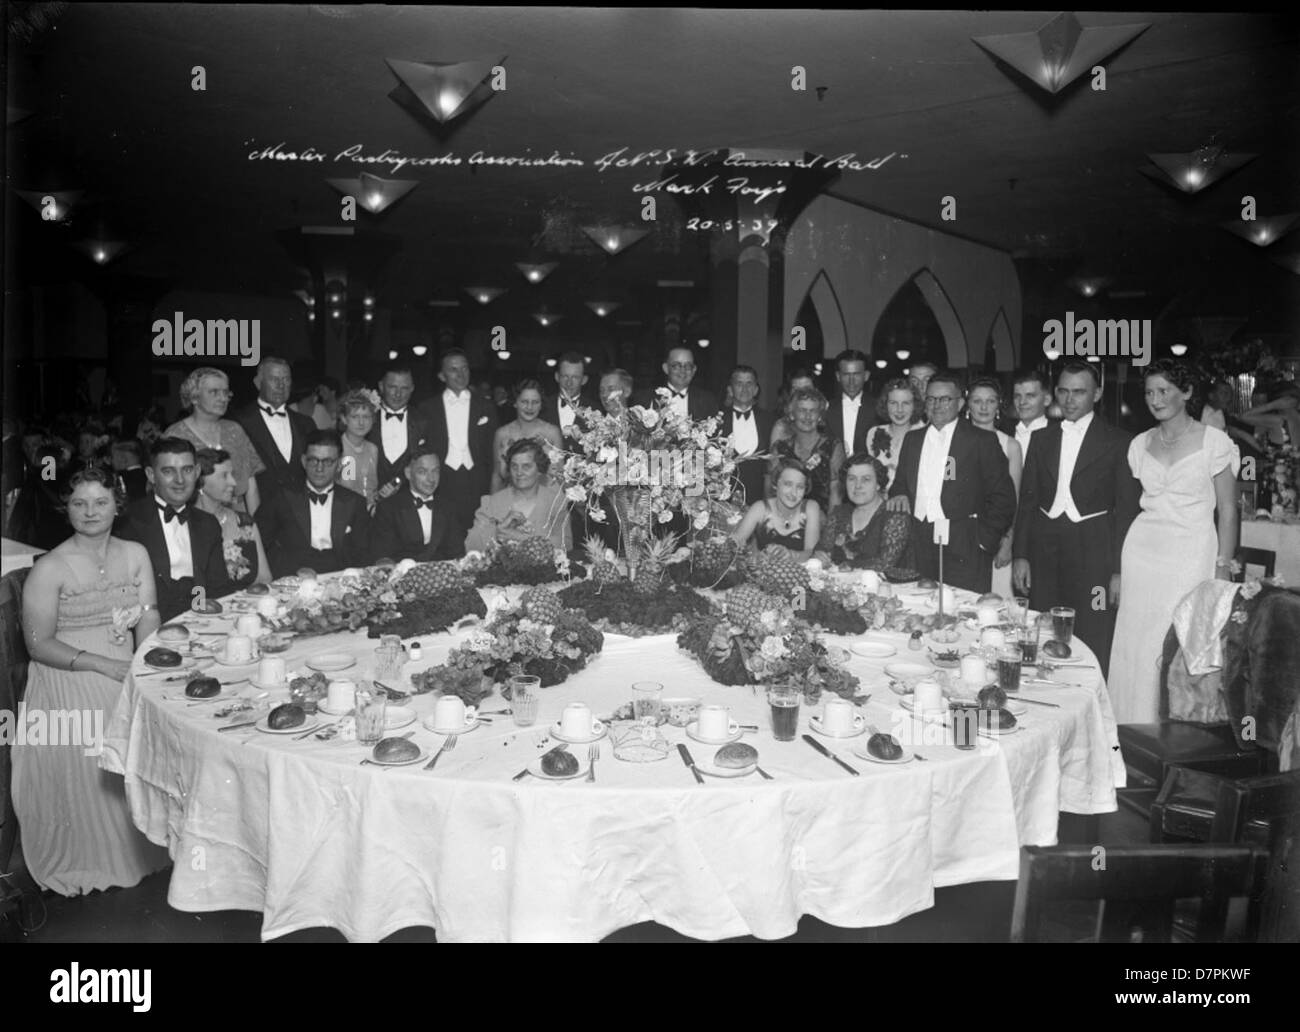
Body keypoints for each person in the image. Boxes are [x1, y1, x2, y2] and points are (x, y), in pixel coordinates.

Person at [11, 465, 170, 894]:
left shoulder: (135, 553)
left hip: (125, 662)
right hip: (68, 670)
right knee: (107, 708)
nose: (90, 511)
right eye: (79, 503)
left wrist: (144, 660)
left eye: (101, 502)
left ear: (118, 505)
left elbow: (148, 612)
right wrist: (104, 665)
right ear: (66, 509)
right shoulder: (51, 567)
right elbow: (38, 645)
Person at [1109, 360, 1240, 723]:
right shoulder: (1140, 444)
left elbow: (1229, 511)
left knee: (1177, 638)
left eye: (1164, 390)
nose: (1155, 399)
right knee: (1137, 642)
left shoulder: (1215, 442)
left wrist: (1223, 567)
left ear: (1187, 392)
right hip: (1142, 552)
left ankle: (1173, 730)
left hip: (1191, 553)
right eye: (1149, 392)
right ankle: (1130, 727)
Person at [1012, 363, 1139, 676]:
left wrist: (1119, 571)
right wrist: (1021, 555)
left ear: (1097, 394)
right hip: (1044, 548)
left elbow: (1126, 511)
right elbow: (1028, 502)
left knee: (1094, 626)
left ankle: (1089, 693)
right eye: (1064, 391)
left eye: (1079, 392)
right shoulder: (1041, 438)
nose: (1069, 400)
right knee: (1043, 628)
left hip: (1094, 550)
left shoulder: (1119, 441)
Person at [887, 373, 1016, 594]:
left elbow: (1004, 497)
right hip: (919, 541)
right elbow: (900, 483)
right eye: (931, 399)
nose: (937, 405)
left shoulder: (981, 440)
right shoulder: (913, 439)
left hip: (965, 543)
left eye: (945, 399)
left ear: (960, 403)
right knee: (919, 604)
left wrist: (985, 540)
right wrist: (899, 493)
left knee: (963, 608)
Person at [116, 437, 232, 621]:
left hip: (201, 622)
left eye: (187, 470)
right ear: (151, 475)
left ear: (197, 472)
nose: (180, 480)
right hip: (148, 624)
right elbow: (121, 594)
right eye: (168, 471)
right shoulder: (128, 522)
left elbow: (217, 589)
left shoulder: (208, 524)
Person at [255, 430, 372, 577]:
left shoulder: (355, 502)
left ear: (339, 464)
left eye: (328, 461)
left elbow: (363, 551)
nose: (319, 468)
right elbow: (260, 545)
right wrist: (292, 570)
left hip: (340, 575)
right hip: (294, 575)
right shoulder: (280, 498)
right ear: (304, 461)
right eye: (313, 460)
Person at [419, 349, 498, 536]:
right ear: (441, 375)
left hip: (477, 481)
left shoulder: (486, 406)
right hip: (441, 481)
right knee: (442, 535)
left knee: (478, 537)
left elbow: (493, 450)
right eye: (453, 370)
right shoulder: (427, 408)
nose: (460, 374)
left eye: (464, 368)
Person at [166, 367, 265, 515]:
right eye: (214, 392)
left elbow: (251, 485)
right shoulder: (175, 435)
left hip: (238, 517)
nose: (223, 398)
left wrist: (253, 523)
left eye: (226, 393)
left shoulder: (235, 430)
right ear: (194, 398)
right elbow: (168, 491)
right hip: (195, 519)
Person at [816, 453, 917, 579]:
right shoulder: (839, 513)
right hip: (843, 587)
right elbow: (822, 550)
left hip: (892, 588)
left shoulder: (894, 516)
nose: (857, 485)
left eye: (866, 479)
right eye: (852, 479)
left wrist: (845, 565)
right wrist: (818, 556)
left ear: (878, 484)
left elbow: (884, 565)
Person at [966, 377, 1022, 599]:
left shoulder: (1010, 445)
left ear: (998, 405)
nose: (983, 407)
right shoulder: (954, 440)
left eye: (990, 401)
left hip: (996, 535)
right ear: (967, 404)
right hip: (962, 535)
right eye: (977, 401)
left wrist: (1007, 542)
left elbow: (1013, 499)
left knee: (995, 602)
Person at [464, 438, 571, 553]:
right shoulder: (492, 503)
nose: (519, 473)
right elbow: (470, 546)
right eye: (514, 466)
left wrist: (520, 537)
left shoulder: (555, 502)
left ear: (540, 469)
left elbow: (566, 544)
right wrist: (497, 532)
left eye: (526, 466)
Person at [235, 356, 315, 504]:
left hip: (303, 508)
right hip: (260, 508)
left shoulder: (306, 424)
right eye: (274, 379)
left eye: (286, 379)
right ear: (258, 383)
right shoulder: (240, 422)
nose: (281, 385)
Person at [193, 447, 271, 590]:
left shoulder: (245, 523)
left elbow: (264, 578)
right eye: (224, 476)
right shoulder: (187, 526)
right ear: (201, 481)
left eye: (232, 475)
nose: (233, 482)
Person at [371, 447, 464, 562]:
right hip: (402, 571)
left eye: (435, 471)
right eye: (422, 472)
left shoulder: (448, 507)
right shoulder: (389, 508)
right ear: (408, 473)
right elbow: (383, 558)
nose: (431, 479)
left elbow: (457, 553)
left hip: (440, 570)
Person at [730, 456, 821, 562]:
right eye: (788, 484)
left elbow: (812, 553)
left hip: (799, 571)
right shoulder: (760, 508)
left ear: (805, 489)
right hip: (762, 570)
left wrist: (790, 555)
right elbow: (733, 545)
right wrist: (753, 556)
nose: (793, 493)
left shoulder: (810, 508)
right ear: (775, 484)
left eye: (800, 487)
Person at [769, 386, 844, 512]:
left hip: (822, 519)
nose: (808, 416)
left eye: (813, 411)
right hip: (784, 519)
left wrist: (831, 523)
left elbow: (836, 493)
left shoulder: (833, 446)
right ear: (792, 414)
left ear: (820, 416)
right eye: (802, 410)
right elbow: (771, 491)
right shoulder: (779, 448)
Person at [368, 364, 434, 490]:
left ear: (412, 389)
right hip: (367, 496)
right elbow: (349, 459)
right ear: (381, 386)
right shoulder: (365, 419)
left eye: (404, 388)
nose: (398, 394)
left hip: (408, 497)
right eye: (392, 387)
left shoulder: (423, 422)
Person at [492, 379, 563, 493]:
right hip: (511, 499)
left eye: (535, 402)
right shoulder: (502, 434)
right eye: (524, 402)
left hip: (545, 499)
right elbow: (497, 476)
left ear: (541, 405)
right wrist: (493, 503)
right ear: (515, 403)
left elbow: (560, 476)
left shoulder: (552, 433)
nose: (530, 407)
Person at [721, 365, 775, 508]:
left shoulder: (770, 421)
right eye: (739, 383)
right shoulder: (717, 421)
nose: (744, 389)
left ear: (756, 390)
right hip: (725, 501)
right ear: (730, 389)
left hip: (761, 500)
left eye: (749, 383)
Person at [861, 377, 924, 489]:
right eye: (893, 403)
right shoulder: (874, 433)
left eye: (906, 403)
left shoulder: (922, 434)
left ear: (915, 406)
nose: (899, 409)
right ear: (885, 405)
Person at [631, 345, 720, 420]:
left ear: (694, 370)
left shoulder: (707, 401)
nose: (683, 370)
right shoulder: (645, 399)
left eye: (688, 366)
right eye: (676, 365)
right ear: (666, 368)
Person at [334, 388, 387, 509]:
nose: (361, 422)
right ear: (344, 419)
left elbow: (370, 489)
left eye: (366, 417)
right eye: (355, 417)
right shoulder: (336, 448)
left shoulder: (373, 449)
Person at [824, 349, 873, 459]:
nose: (851, 381)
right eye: (846, 374)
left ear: (866, 376)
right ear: (838, 376)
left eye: (856, 374)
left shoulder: (879, 409)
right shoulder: (826, 409)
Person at [541, 351, 598, 432]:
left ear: (584, 380)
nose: (569, 383)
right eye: (565, 376)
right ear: (557, 377)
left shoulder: (595, 410)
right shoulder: (542, 407)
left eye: (575, 377)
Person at [1012, 369, 1054, 459]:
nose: (1022, 402)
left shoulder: (1059, 435)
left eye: (1030, 396)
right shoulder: (1001, 433)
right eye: (1017, 396)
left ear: (1047, 400)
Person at [109, 438, 149, 504]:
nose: (111, 461)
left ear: (122, 458)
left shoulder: (118, 481)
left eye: (112, 457)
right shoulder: (151, 477)